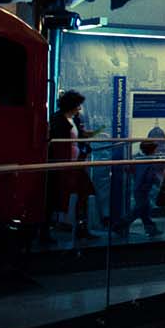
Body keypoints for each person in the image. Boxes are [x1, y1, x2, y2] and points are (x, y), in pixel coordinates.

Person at [47, 90, 96, 244]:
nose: (79, 108)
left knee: (84, 193)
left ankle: (81, 227)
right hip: (64, 164)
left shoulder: (73, 119)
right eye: (78, 105)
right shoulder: (58, 120)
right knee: (57, 196)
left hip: (74, 163)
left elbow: (77, 136)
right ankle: (47, 230)